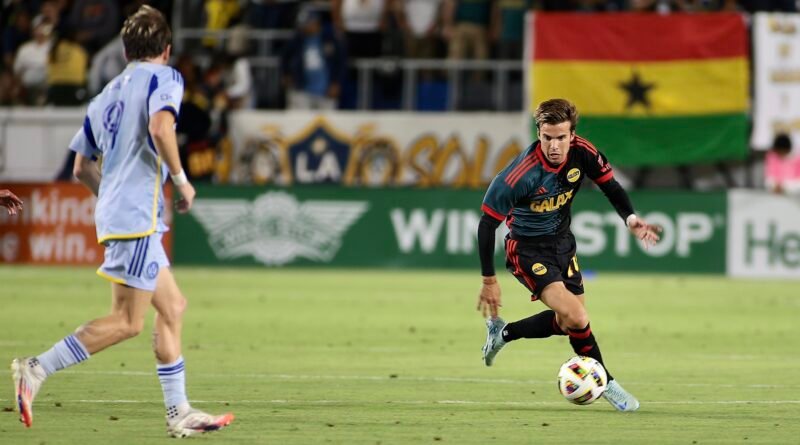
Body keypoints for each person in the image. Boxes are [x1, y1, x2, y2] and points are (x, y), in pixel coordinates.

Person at [11, 6, 234, 437]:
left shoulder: (106, 92)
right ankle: (36, 368)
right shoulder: (164, 78)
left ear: (125, 49)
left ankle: (179, 412)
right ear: (166, 50)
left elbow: (80, 167)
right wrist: (183, 180)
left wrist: (110, 197)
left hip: (123, 212)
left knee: (172, 307)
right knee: (128, 322)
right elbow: (161, 127)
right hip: (134, 216)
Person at [477, 98, 661, 412]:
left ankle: (503, 332)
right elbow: (486, 225)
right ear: (538, 133)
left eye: (561, 137)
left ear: (572, 135)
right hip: (526, 249)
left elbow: (611, 186)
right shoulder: (518, 176)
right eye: (547, 137)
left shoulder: (583, 153)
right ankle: (607, 383)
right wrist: (489, 280)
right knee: (578, 317)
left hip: (563, 244)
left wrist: (631, 219)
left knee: (568, 323)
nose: (554, 145)